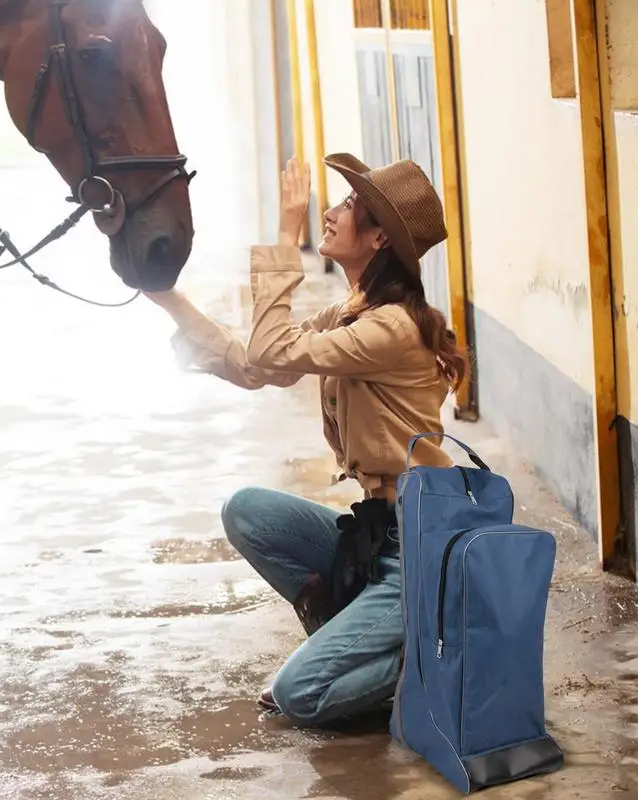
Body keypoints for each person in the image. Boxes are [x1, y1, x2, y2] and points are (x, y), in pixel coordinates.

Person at [144, 153, 470, 728]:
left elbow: (272, 350)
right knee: (247, 511)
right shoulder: (353, 314)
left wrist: (285, 234)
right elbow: (256, 364)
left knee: (299, 695)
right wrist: (161, 293)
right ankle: (351, 628)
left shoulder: (390, 328)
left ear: (376, 239)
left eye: (348, 206)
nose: (330, 211)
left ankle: (419, 658)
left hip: (416, 556)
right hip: (373, 542)